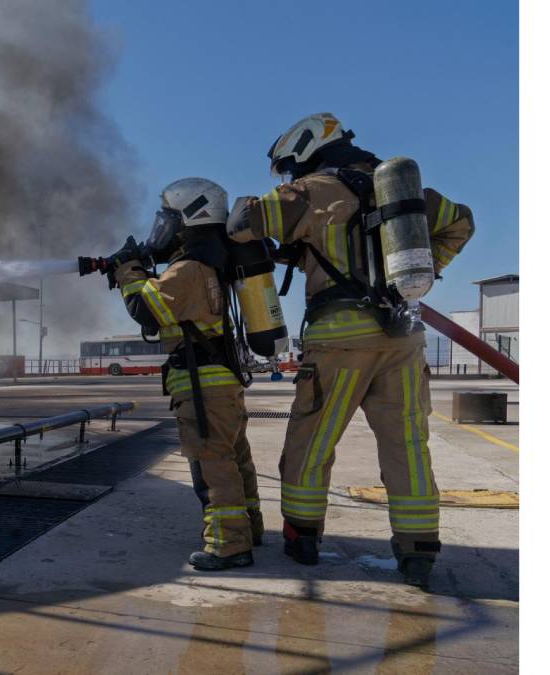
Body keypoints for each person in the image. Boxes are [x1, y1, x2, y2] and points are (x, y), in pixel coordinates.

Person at [226, 112, 475, 587]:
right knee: (407, 447)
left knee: (311, 442)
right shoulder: (401, 189)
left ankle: (302, 537)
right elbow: (462, 222)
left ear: (303, 149)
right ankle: (418, 550)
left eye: (287, 167)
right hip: (404, 334)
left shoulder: (310, 190)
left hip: (338, 338)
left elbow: (244, 224)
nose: (288, 176)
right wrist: (423, 271)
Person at [111, 177, 264, 571]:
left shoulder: (189, 269)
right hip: (222, 382)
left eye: (169, 219)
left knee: (212, 465)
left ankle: (228, 546)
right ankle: (250, 529)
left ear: (190, 218)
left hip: (203, 387)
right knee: (235, 460)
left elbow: (147, 309)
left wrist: (128, 269)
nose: (162, 229)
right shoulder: (212, 262)